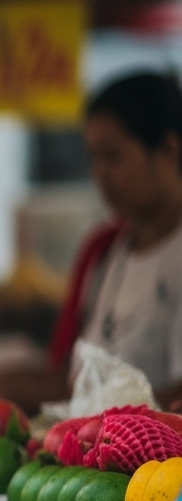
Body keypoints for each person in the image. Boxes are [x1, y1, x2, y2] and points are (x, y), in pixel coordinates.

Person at [54, 72, 182, 408]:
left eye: (113, 156)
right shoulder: (109, 251)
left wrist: (104, 414)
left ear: (168, 151)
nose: (100, 174)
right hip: (100, 450)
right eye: (93, 158)